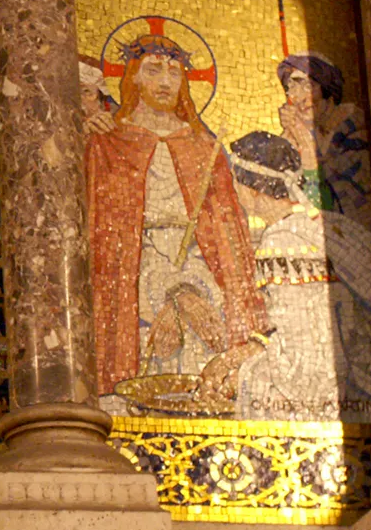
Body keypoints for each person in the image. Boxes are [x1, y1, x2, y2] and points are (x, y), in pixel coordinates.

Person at [85, 35, 269, 406]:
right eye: (153, 70)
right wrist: (170, 295)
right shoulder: (109, 142)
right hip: (132, 290)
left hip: (202, 285)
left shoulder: (204, 148)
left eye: (175, 72)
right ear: (133, 77)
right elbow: (103, 237)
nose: (167, 81)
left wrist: (193, 293)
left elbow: (226, 240)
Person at [228, 130, 371, 422]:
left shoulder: (282, 242)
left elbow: (304, 367)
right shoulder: (329, 223)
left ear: (251, 189)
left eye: (235, 181)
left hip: (338, 399)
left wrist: (243, 375)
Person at [276, 53, 371, 229]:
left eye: (308, 86)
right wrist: (288, 139)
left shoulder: (357, 132)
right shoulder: (309, 133)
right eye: (293, 88)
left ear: (328, 87)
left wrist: (305, 145)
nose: (301, 98)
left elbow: (343, 203)